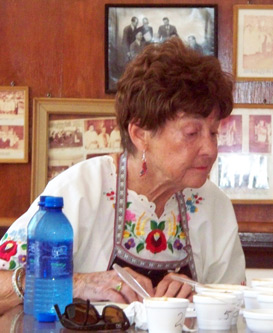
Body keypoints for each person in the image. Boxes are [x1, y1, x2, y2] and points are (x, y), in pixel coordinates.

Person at [0, 38, 246, 314]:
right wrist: (75, 284)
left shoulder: (214, 205)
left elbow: (238, 301)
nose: (210, 149)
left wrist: (202, 294)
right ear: (140, 134)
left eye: (213, 132)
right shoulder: (80, 191)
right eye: (192, 133)